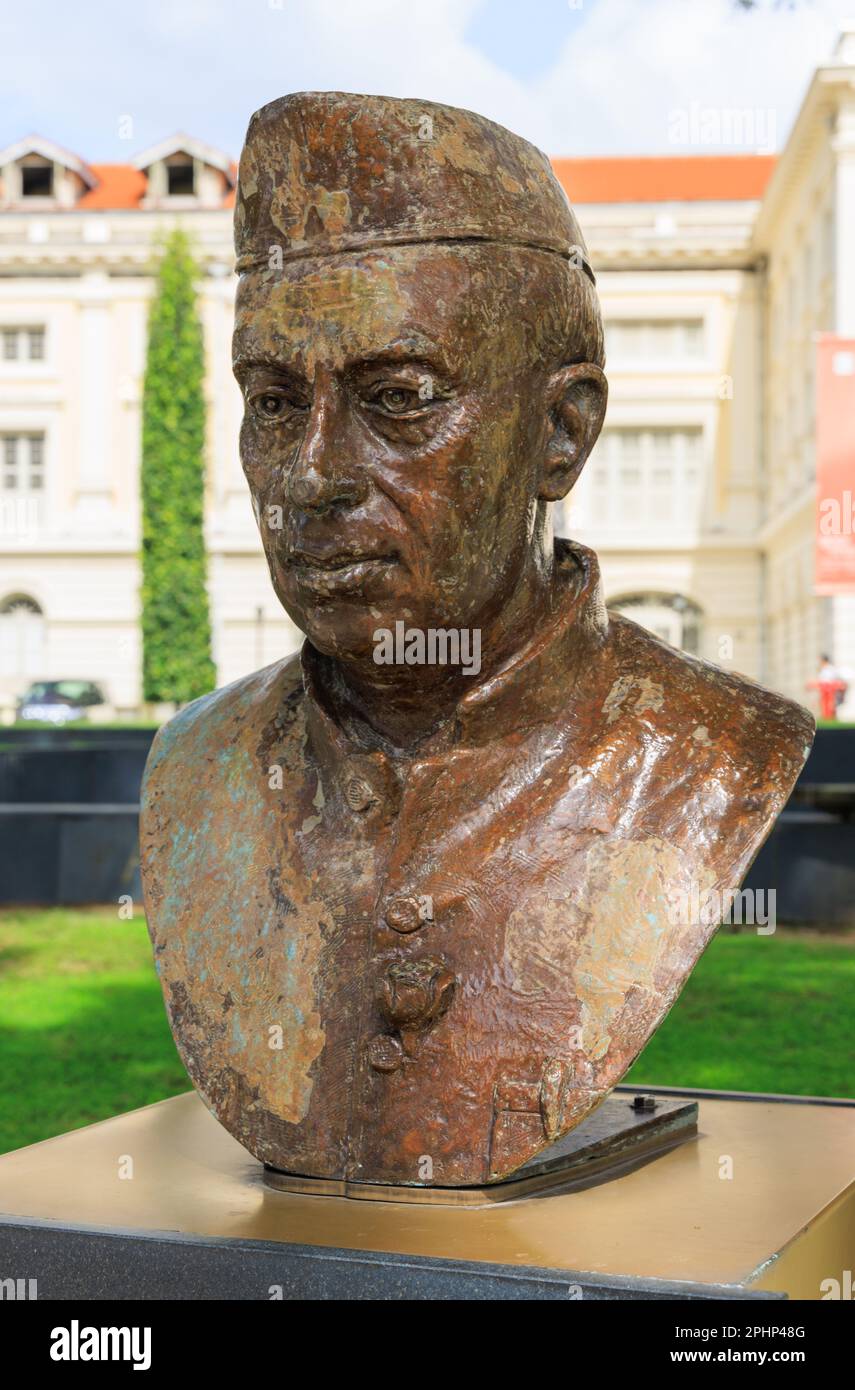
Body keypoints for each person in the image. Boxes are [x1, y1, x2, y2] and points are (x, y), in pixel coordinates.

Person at [141, 94, 814, 1187]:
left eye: (398, 398)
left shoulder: (714, 756)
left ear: (561, 433)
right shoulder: (196, 769)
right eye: (272, 401)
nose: (310, 477)